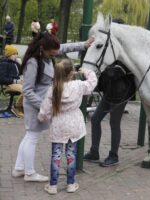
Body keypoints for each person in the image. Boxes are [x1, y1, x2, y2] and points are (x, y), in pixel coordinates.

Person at [12, 32, 94, 182]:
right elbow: (27, 90)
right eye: (52, 54)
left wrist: (83, 44)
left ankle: (19, 168)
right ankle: (29, 173)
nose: (54, 56)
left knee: (29, 136)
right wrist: (45, 106)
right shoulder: (33, 62)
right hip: (36, 105)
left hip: (43, 103)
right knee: (32, 137)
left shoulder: (46, 52)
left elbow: (63, 48)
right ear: (43, 48)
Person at [38, 59, 97, 194]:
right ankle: (71, 183)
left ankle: (53, 185)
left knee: (56, 156)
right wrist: (86, 71)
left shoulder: (53, 89)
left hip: (59, 125)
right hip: (74, 125)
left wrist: (41, 118)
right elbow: (92, 82)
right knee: (71, 155)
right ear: (72, 73)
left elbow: (45, 110)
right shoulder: (78, 85)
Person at [83, 18, 135, 167]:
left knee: (114, 122)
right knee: (95, 119)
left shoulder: (126, 51)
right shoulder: (108, 45)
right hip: (109, 92)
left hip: (121, 93)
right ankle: (94, 152)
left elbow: (130, 75)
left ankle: (114, 155)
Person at [0, 45, 23, 117]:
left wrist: (20, 64)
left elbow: (22, 73)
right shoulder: (4, 64)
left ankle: (23, 108)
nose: (16, 55)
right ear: (9, 55)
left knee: (31, 87)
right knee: (26, 90)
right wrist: (16, 81)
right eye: (14, 54)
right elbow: (2, 79)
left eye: (16, 54)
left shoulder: (15, 63)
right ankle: (17, 107)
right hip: (10, 85)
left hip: (18, 84)